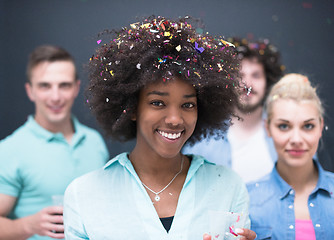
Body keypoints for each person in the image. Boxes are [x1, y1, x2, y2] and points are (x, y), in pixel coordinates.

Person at [63, 16, 256, 240]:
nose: (175, 119)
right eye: (157, 103)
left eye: (187, 105)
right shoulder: (84, 194)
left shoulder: (228, 187)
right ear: (132, 108)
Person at [0, 45, 109, 240]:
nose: (56, 97)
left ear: (76, 88)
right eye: (45, 86)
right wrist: (27, 225)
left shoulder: (94, 141)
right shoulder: (10, 150)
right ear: (30, 91)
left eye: (64, 85)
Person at [183, 37, 283, 183]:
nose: (247, 84)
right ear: (227, 82)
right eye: (240, 76)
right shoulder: (201, 143)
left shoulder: (288, 136)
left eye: (256, 75)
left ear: (267, 81)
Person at [247, 73, 334, 239]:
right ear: (268, 128)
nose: (296, 139)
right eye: (284, 126)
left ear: (321, 126)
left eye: (308, 126)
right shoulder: (246, 199)